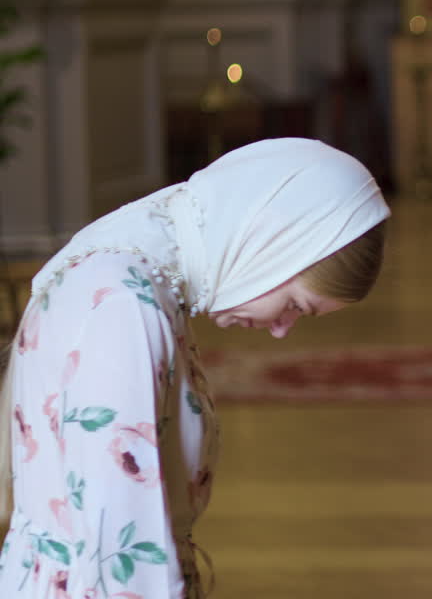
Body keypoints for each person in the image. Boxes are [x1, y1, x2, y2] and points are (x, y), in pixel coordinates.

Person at [0, 138, 389, 598]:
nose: (282, 329)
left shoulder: (139, 283)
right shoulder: (123, 305)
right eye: (294, 306)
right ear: (267, 243)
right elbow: (122, 550)